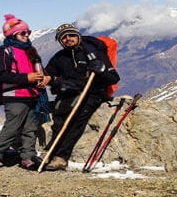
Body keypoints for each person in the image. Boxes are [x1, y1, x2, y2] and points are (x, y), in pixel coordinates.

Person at [42, 23, 120, 171]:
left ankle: (61, 158)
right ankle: (50, 152)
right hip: (69, 93)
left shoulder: (94, 52)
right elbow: (49, 75)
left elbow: (114, 77)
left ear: (78, 35)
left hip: (93, 93)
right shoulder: (60, 57)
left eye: (71, 35)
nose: (68, 39)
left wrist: (102, 70)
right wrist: (55, 82)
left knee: (76, 120)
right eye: (63, 37)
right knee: (59, 120)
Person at [0, 14, 51, 171]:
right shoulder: (4, 52)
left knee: (31, 127)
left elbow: (40, 70)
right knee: (13, 127)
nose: (27, 35)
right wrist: (28, 77)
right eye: (23, 33)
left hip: (33, 94)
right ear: (12, 34)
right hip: (14, 96)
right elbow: (1, 75)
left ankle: (28, 156)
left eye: (28, 32)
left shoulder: (31, 51)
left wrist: (45, 78)